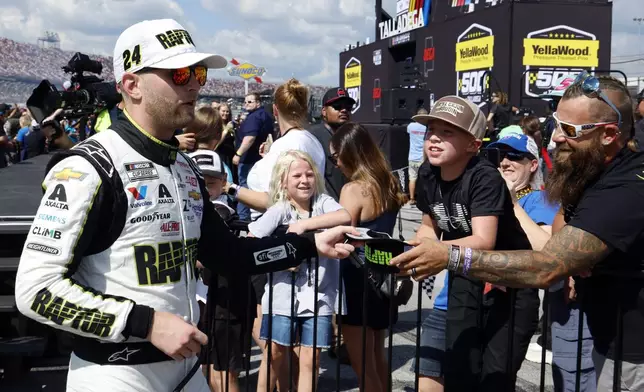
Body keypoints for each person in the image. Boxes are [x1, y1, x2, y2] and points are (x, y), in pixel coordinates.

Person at [14, 18, 357, 392]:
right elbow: (35, 290)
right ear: (132, 85)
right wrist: (145, 323)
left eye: (198, 72)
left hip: (185, 367)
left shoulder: (184, 169)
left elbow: (232, 257)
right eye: (179, 75)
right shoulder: (89, 167)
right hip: (114, 373)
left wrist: (308, 245)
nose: (195, 83)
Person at [391, 73, 644, 391]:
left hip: (633, 353)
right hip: (598, 329)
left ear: (609, 134)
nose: (555, 139)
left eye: (569, 130)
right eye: (555, 124)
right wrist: (575, 250)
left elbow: (547, 267)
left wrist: (450, 255)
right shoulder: (590, 167)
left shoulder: (628, 186)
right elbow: (564, 216)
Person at [410, 96, 534, 391]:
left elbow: (483, 241)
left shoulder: (484, 177)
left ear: (474, 145)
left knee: (494, 381)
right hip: (465, 277)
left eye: (447, 132)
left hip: (510, 285)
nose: (435, 139)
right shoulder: (427, 174)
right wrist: (412, 253)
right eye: (431, 131)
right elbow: (429, 227)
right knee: (459, 375)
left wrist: (436, 251)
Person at [249, 150, 351, 392]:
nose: (304, 180)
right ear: (284, 181)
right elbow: (253, 242)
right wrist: (282, 259)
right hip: (282, 296)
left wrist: (303, 225)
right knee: (274, 352)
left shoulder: (324, 203)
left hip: (320, 296)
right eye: (297, 175)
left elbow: (345, 216)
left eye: (309, 174)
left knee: (312, 357)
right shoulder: (278, 210)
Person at [330, 122, 406, 392]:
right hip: (383, 273)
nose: (335, 163)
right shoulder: (388, 182)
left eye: (336, 156)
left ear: (350, 153)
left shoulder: (353, 190)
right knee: (377, 358)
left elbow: (342, 235)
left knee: (364, 369)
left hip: (356, 278)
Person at [309, 88, 355, 201]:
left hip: (349, 204)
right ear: (324, 111)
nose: (344, 110)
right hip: (325, 209)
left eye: (348, 107)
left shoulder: (352, 136)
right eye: (338, 106)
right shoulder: (312, 136)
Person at [234, 93, 273, 220]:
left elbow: (250, 138)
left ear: (258, 103)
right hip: (262, 159)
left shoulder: (254, 117)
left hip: (248, 159)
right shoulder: (266, 115)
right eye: (245, 102)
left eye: (250, 102)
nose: (246, 104)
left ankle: (242, 220)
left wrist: (238, 154)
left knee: (243, 190)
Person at [407, 108, 427, 205]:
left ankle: (411, 199)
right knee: (424, 180)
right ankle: (423, 199)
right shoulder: (427, 127)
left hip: (412, 157)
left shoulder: (410, 126)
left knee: (412, 178)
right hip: (422, 158)